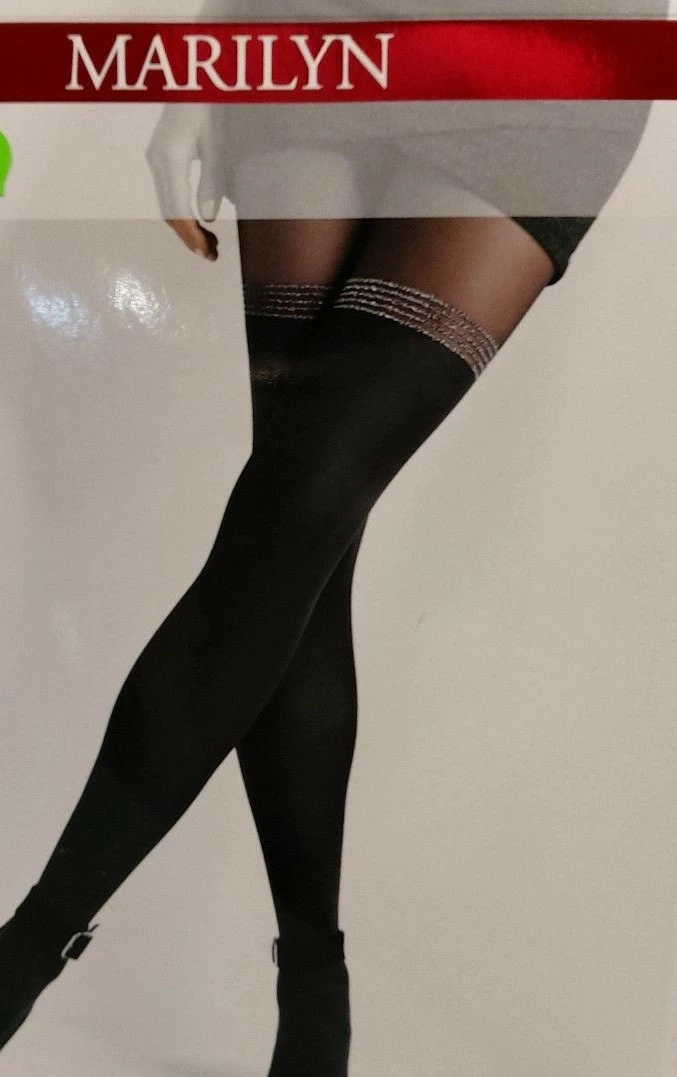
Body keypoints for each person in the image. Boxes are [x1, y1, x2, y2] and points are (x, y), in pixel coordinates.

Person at [0, 1, 667, 1074]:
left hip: (547, 61)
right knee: (295, 536)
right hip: (311, 44)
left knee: (300, 508)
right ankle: (313, 987)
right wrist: (201, 67)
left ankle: (25, 953)